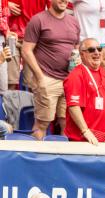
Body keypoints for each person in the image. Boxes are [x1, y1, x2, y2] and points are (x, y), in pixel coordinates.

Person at [22, 0, 81, 139]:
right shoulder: (38, 20)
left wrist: (78, 59)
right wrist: (40, 77)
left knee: (67, 123)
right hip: (47, 78)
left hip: (68, 80)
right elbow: (26, 51)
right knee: (42, 124)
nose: (64, 1)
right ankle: (35, 159)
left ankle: (64, 157)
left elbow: (76, 48)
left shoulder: (73, 21)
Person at [64, 38, 105, 145]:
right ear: (82, 54)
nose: (97, 52)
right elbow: (73, 106)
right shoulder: (76, 75)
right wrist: (85, 130)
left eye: (99, 49)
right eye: (92, 50)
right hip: (83, 140)